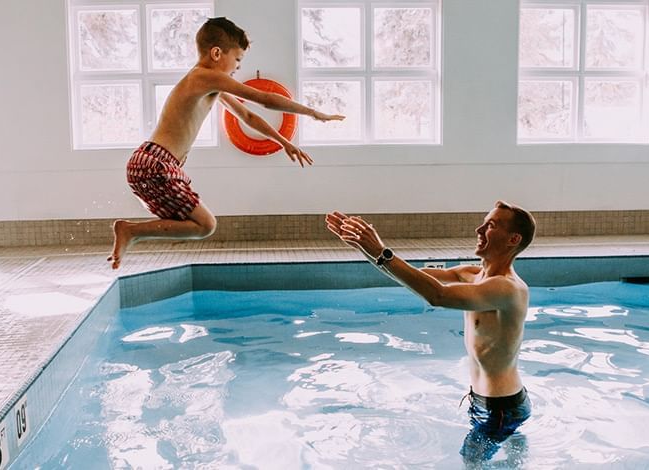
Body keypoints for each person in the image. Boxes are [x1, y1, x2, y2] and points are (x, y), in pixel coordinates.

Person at [108, 17, 344, 269]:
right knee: (205, 225)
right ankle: (130, 231)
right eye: (238, 60)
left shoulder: (208, 83)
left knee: (198, 225)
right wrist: (313, 113)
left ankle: (132, 231)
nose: (237, 68)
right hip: (156, 163)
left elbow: (248, 116)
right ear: (217, 53)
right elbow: (263, 99)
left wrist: (284, 141)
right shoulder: (205, 76)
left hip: (150, 162)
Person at [325, 201, 536, 463]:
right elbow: (412, 278)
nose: (478, 229)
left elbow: (437, 295)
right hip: (488, 402)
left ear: (513, 239)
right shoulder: (472, 274)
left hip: (500, 409)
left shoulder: (508, 289)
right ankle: (517, 451)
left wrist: (380, 250)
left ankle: (516, 452)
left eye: (490, 225)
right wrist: (365, 248)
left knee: (471, 462)